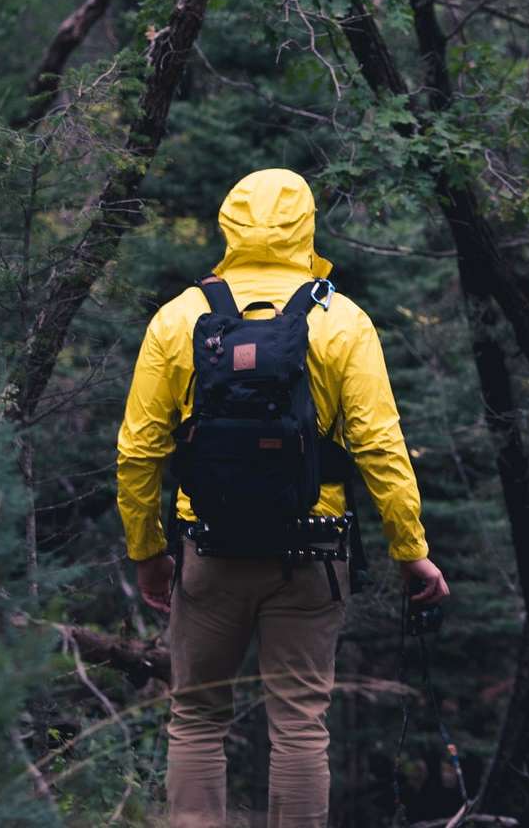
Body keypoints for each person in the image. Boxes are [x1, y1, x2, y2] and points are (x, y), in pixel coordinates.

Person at [116, 167, 450, 828]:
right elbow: (380, 446)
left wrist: (147, 552)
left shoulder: (179, 317)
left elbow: (138, 451)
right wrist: (410, 551)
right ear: (307, 226)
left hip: (209, 550)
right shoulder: (341, 319)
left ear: (228, 223)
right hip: (312, 553)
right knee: (299, 723)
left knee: (197, 717)